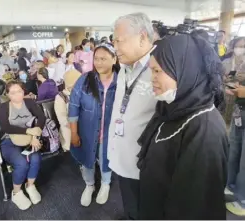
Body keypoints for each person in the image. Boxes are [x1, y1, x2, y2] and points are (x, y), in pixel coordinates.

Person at [137, 33, 228, 220]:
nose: (151, 78)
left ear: (184, 69)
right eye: (151, 71)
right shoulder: (172, 108)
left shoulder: (205, 130)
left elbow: (196, 207)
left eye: (157, 71)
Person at [109, 13, 157, 220]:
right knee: (129, 205)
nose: (115, 48)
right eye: (114, 42)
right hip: (122, 153)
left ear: (142, 37)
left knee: (146, 211)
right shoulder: (124, 68)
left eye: (120, 41)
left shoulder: (161, 67)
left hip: (145, 162)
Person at [69, 43, 119, 207]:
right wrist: (74, 133)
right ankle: (89, 185)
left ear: (114, 59)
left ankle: (105, 184)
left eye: (103, 59)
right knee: (87, 159)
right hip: (88, 131)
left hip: (110, 132)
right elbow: (73, 107)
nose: (99, 63)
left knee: (106, 159)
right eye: (96, 58)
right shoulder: (85, 79)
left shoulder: (122, 80)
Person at [0, 81, 46, 210]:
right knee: (21, 163)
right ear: (7, 94)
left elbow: (41, 118)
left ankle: (30, 185)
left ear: (23, 91)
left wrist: (35, 136)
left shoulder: (29, 102)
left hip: (29, 139)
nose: (17, 95)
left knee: (35, 158)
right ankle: (16, 192)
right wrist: (28, 131)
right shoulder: (3, 107)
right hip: (9, 140)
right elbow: (6, 127)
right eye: (13, 93)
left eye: (19, 91)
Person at [224, 39, 245, 216]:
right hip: (240, 110)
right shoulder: (242, 62)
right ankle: (230, 185)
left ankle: (242, 199)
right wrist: (236, 88)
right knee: (235, 151)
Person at [54, 69, 81, 151]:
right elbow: (63, 120)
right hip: (70, 133)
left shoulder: (81, 94)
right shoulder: (61, 97)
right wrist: (75, 128)